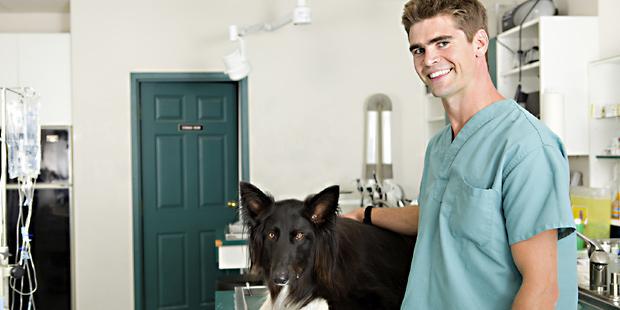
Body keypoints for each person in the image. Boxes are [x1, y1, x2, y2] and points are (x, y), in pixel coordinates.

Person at [343, 0, 577, 309]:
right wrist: (365, 215)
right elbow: (438, 213)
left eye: (442, 43)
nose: (429, 59)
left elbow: (542, 289)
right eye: (418, 50)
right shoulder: (439, 146)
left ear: (479, 42)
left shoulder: (526, 146)